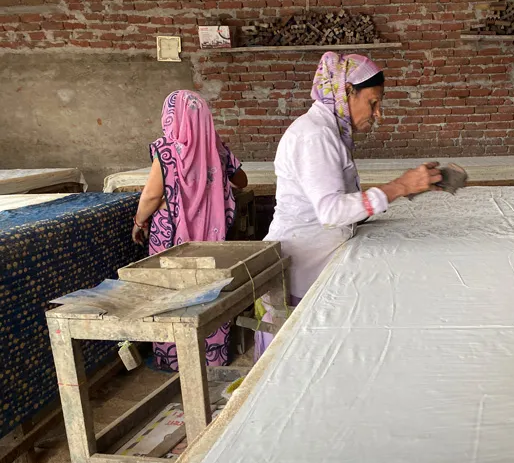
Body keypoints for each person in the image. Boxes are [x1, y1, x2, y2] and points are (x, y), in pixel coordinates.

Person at [253, 52, 442, 360]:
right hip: (302, 269)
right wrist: (400, 186)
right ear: (347, 91)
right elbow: (332, 212)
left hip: (315, 260)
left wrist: (400, 190)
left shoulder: (327, 132)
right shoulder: (314, 136)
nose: (378, 114)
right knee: (296, 365)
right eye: (373, 102)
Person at [132, 90, 248, 371]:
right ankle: (212, 355)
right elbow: (241, 181)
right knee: (208, 290)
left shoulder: (167, 150)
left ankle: (175, 357)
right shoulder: (218, 149)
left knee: (169, 290)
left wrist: (138, 222)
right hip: (211, 234)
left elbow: (150, 196)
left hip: (170, 235)